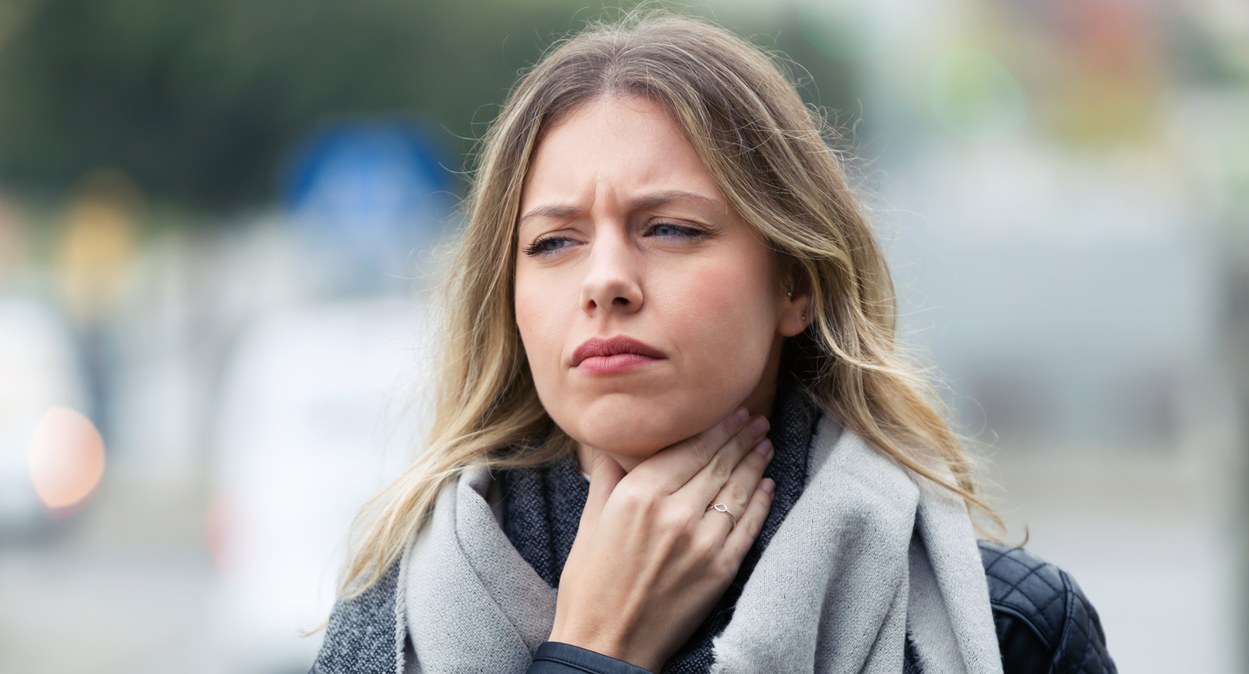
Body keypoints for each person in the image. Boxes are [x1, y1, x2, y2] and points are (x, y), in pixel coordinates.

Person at [312, 12, 1115, 674]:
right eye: (555, 243)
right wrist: (595, 648)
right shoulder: (391, 630)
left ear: (795, 284)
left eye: (670, 228)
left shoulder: (1010, 629)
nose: (607, 281)